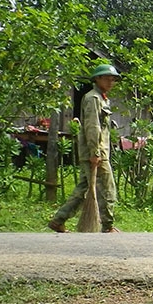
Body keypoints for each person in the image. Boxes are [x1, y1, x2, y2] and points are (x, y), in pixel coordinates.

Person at [48, 64, 122, 234]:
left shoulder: (103, 99)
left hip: (98, 151)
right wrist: (95, 152)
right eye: (107, 78)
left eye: (113, 79)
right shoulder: (93, 99)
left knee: (83, 189)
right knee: (107, 188)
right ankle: (107, 226)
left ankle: (58, 220)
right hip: (95, 153)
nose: (111, 82)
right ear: (97, 79)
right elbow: (92, 127)